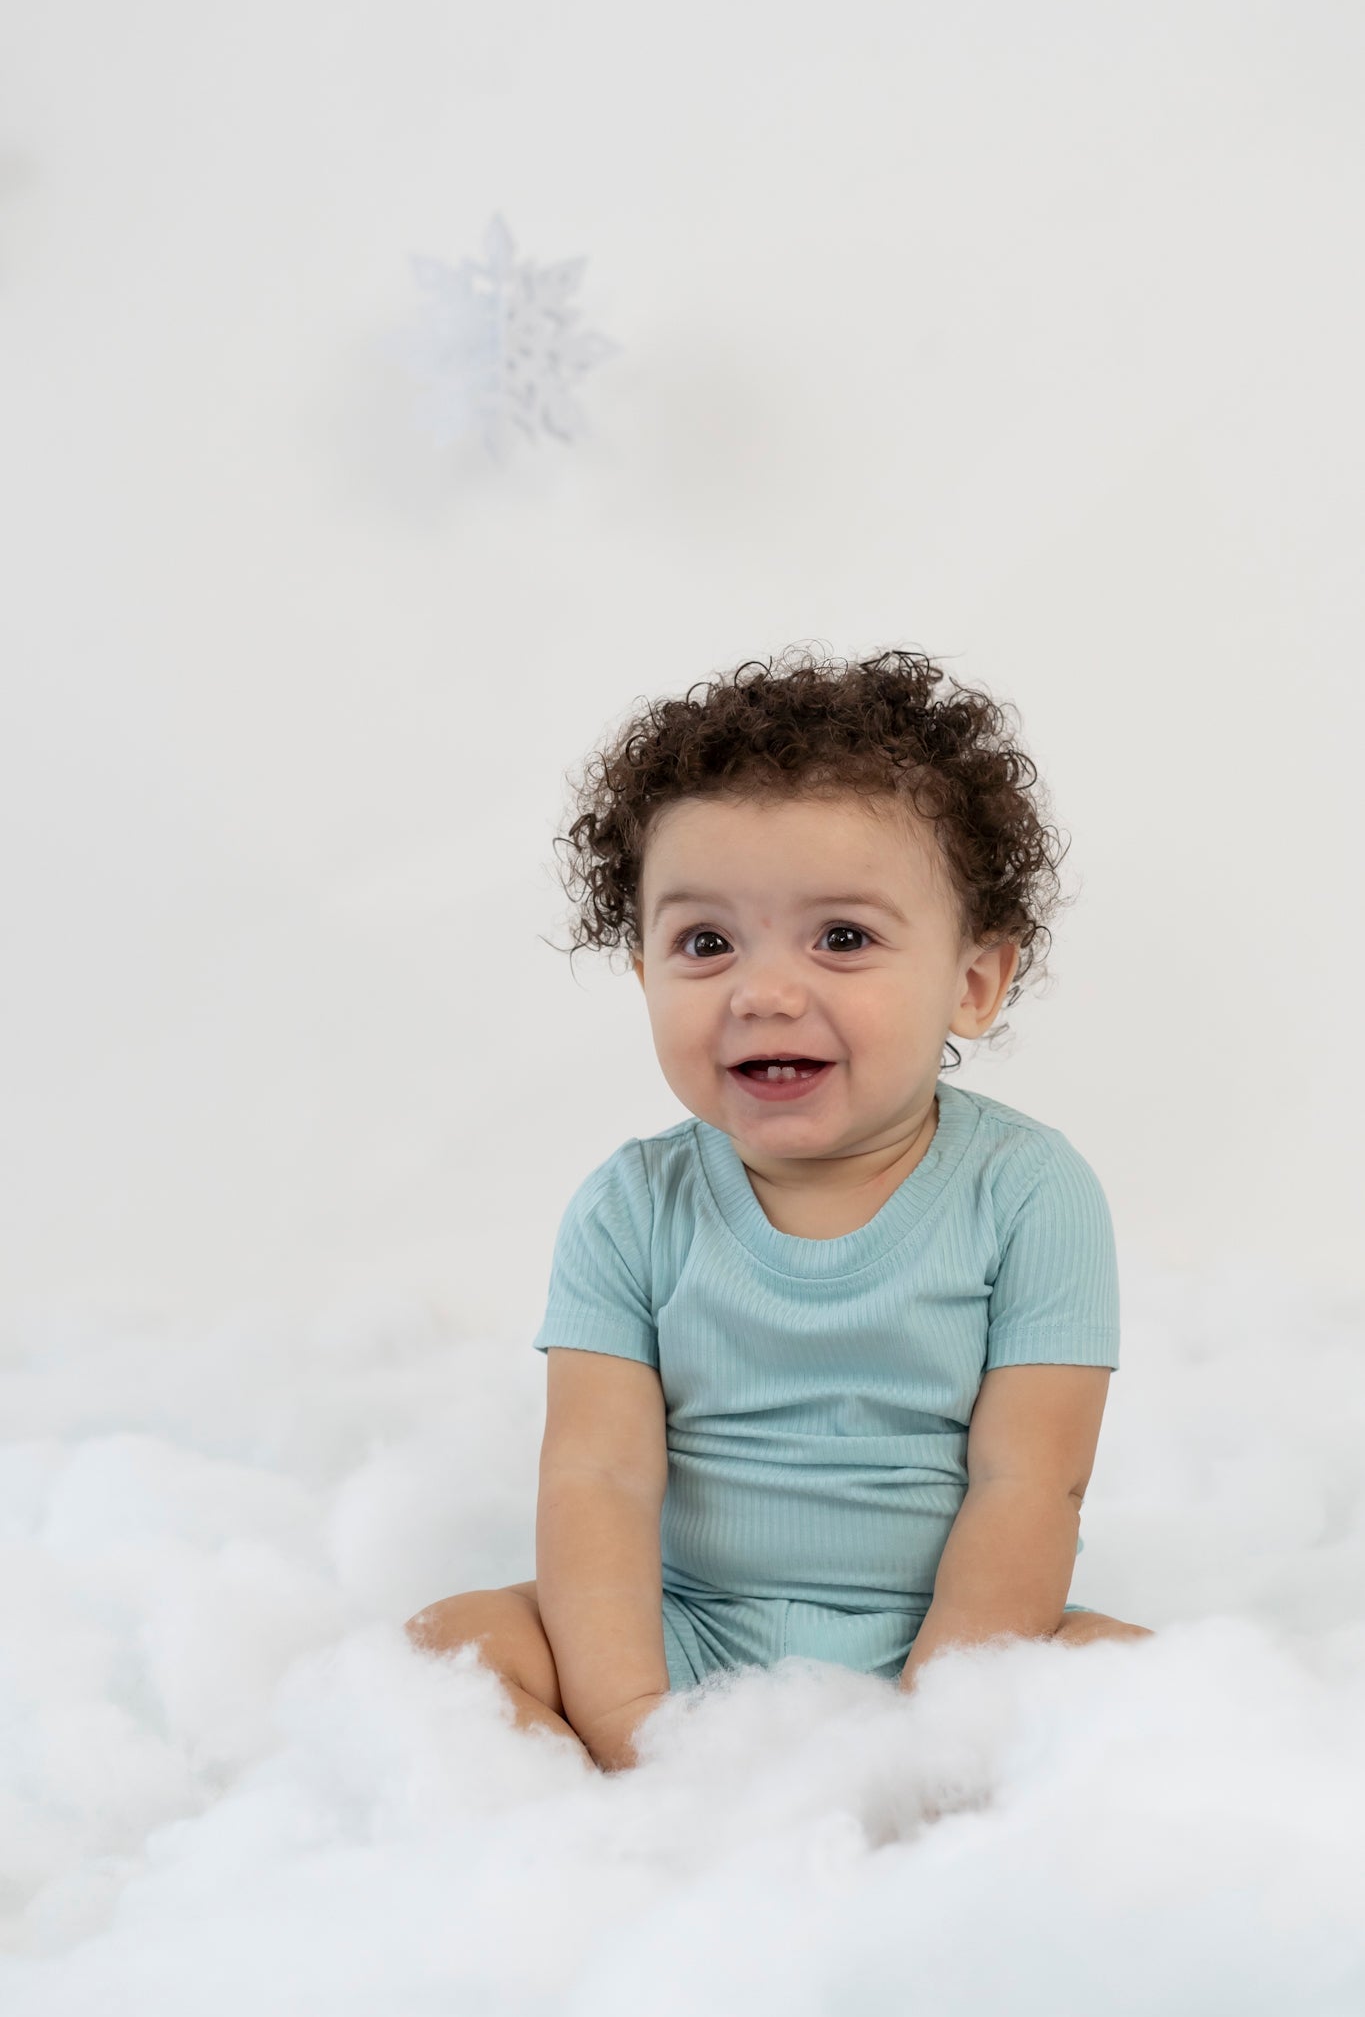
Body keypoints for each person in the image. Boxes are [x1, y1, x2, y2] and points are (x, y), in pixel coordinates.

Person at [408, 645, 1155, 1772]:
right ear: (644, 972)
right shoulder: (630, 1206)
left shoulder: (1029, 1189)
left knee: (1147, 1682)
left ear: (973, 983)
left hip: (946, 1638)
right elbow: (598, 1480)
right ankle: (612, 1808)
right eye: (705, 942)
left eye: (842, 938)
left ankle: (948, 1802)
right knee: (447, 1648)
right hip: (687, 1633)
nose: (763, 991)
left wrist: (940, 1728)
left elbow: (1030, 1485)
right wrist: (631, 1722)